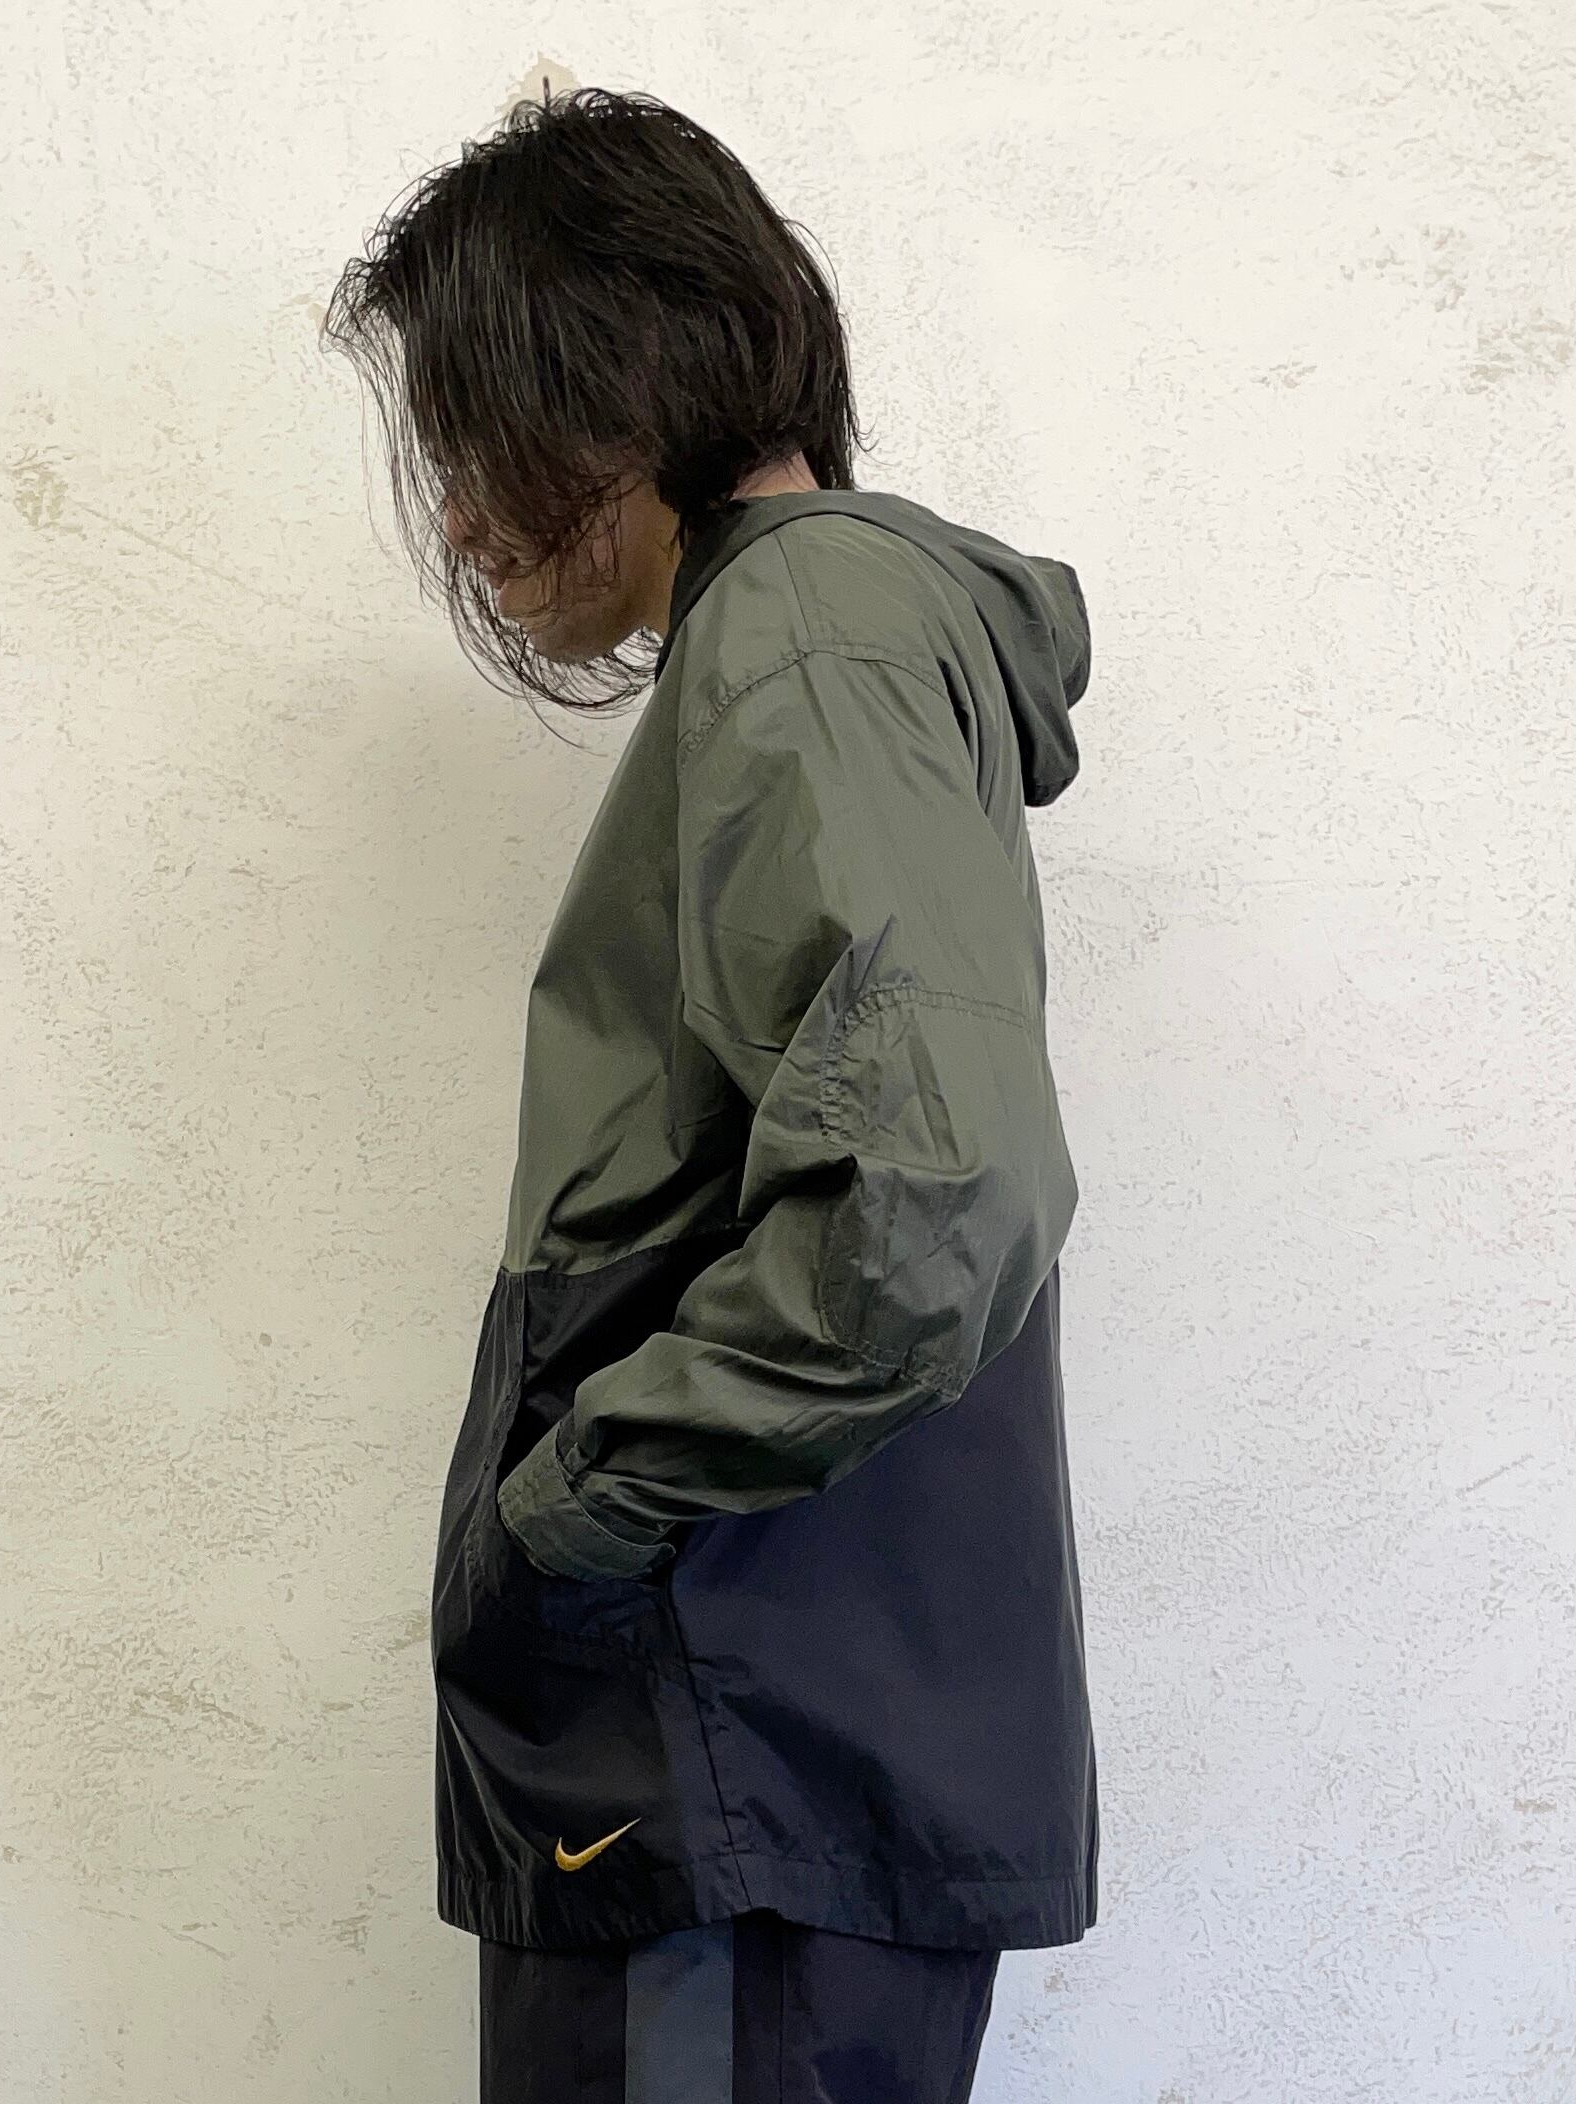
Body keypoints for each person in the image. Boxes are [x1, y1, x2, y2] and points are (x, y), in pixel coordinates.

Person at [324, 85, 1098, 2104]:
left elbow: (931, 1198)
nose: (461, 522)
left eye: (475, 430)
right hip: (745, 1761)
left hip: (730, 1757)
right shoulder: (811, 636)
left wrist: (561, 1514)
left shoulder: (805, 626)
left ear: (621, 368)